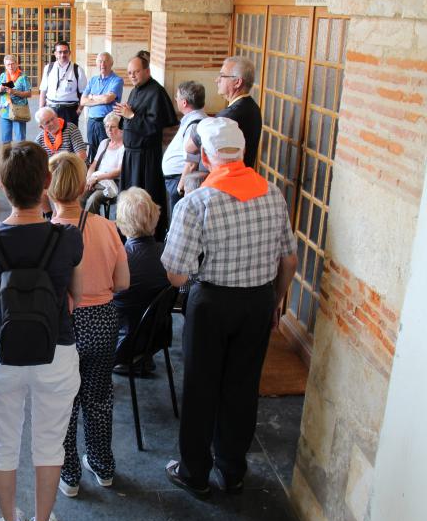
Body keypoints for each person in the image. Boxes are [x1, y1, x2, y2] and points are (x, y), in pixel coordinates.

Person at [161, 117, 297, 499]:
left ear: (206, 155)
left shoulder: (197, 202)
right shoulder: (272, 193)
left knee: (202, 387)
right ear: (243, 153)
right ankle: (233, 470)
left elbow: (175, 274)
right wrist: (274, 301)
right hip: (257, 302)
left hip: (211, 305)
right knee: (243, 386)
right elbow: (289, 260)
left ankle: (195, 472)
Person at [0, 141, 83, 521]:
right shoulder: (67, 237)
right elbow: (79, 293)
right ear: (47, 183)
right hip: (56, 350)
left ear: (1, 185)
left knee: (1, 441)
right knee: (51, 442)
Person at [48, 151, 129, 499]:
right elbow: (123, 282)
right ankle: (103, 465)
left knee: (63, 402)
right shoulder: (108, 228)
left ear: (48, 190)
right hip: (103, 322)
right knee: (98, 397)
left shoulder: (47, 235)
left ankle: (69, 475)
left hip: (64, 325)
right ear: (84, 186)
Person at [114, 53, 179, 241]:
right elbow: (131, 116)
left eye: (136, 72)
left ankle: (148, 236)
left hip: (146, 156)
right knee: (129, 197)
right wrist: (124, 113)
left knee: (145, 198)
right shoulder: (136, 90)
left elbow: (153, 127)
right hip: (131, 154)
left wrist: (131, 116)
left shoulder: (156, 92)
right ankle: (129, 231)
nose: (132, 76)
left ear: (147, 71)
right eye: (129, 73)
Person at [111, 187, 170, 374]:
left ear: (120, 222)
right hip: (155, 339)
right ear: (155, 216)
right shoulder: (168, 254)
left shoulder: (117, 259)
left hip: (119, 345)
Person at [188, 56, 262, 169]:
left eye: (222, 76)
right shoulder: (252, 106)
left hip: (224, 179)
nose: (217, 80)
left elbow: (190, 147)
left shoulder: (229, 116)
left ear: (237, 82)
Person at [162, 81, 208, 215]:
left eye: (177, 97)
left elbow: (192, 162)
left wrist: (180, 188)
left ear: (184, 103)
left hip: (180, 180)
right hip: (178, 179)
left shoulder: (195, 124)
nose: (175, 99)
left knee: (178, 221)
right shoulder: (192, 119)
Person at [80, 52, 123, 157]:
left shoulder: (117, 80)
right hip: (91, 121)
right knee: (92, 151)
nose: (102, 64)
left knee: (106, 151)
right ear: (96, 64)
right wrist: (101, 98)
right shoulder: (93, 80)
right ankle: (93, 172)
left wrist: (92, 96)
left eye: (105, 61)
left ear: (111, 63)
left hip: (106, 123)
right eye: (100, 61)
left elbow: (108, 99)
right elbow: (83, 101)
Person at [81, 112, 124, 214]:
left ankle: (91, 226)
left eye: (113, 127)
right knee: (80, 197)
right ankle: (80, 225)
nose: (109, 130)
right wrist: (89, 178)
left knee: (93, 200)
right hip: (97, 180)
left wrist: (96, 178)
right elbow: (94, 164)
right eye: (107, 126)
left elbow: (118, 172)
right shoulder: (104, 142)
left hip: (113, 183)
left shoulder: (125, 147)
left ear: (121, 128)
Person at [39, 40, 87, 127]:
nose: (63, 55)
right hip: (51, 109)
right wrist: (41, 111)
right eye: (60, 52)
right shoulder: (48, 68)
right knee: (51, 137)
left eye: (65, 52)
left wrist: (79, 111)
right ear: (55, 53)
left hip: (70, 111)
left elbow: (84, 93)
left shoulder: (77, 70)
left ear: (69, 53)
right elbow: (43, 91)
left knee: (69, 138)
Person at [0, 54, 32, 143]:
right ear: (5, 66)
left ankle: (20, 156)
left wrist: (14, 92)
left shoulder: (23, 77)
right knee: (5, 139)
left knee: (20, 139)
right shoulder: (3, 76)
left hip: (19, 110)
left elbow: (29, 94)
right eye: (8, 64)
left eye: (12, 64)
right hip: (4, 110)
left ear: (16, 64)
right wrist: (0, 89)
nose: (10, 66)